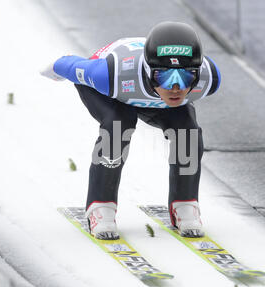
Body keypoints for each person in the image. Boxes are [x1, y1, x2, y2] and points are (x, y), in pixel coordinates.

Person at [41, 21, 221, 240]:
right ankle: (101, 206)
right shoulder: (108, 75)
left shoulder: (208, 78)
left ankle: (185, 203)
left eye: (185, 77)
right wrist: (53, 69)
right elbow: (68, 64)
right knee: (118, 124)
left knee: (187, 131)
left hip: (146, 94)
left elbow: (176, 88)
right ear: (148, 71)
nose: (175, 87)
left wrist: (164, 82)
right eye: (164, 77)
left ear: (197, 72)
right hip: (114, 90)